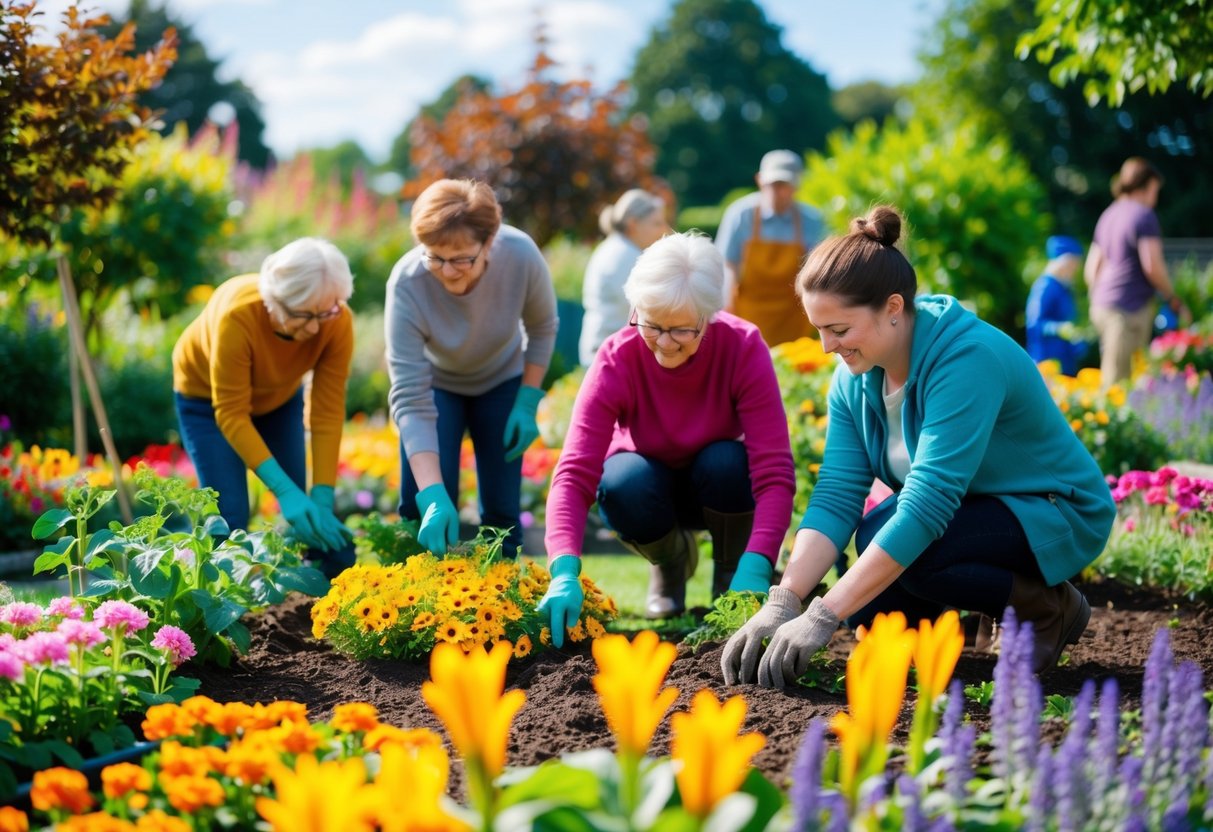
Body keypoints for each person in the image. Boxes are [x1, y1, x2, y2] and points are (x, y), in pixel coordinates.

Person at [721, 206, 1116, 688]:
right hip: (973, 512)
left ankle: (1046, 608)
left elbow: (928, 506)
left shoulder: (966, 359)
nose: (826, 347)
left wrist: (820, 615)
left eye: (839, 330)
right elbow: (836, 494)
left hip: (1053, 511)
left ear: (892, 308)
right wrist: (785, 602)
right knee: (867, 581)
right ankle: (960, 626)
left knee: (915, 553)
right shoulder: (855, 378)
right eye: (819, 330)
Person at [537, 232, 796, 643]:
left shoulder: (742, 347)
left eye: (681, 331)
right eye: (652, 324)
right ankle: (671, 564)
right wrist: (563, 568)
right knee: (620, 482)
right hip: (648, 486)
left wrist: (759, 562)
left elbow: (774, 472)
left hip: (718, 488)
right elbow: (574, 473)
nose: (663, 342)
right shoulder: (617, 358)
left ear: (708, 317)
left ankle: (730, 573)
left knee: (728, 462)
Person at [385, 179, 558, 558]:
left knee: (501, 514)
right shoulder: (407, 283)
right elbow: (410, 398)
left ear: (490, 242)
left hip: (501, 380)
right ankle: (422, 600)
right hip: (435, 385)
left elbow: (543, 327)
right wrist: (432, 495)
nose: (447, 271)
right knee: (420, 503)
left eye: (462, 258)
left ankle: (499, 602)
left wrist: (527, 400)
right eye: (435, 257)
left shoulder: (521, 256)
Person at [172, 237, 356, 578]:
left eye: (325, 313)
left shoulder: (337, 321)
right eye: (303, 316)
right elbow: (230, 412)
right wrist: (283, 491)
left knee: (309, 516)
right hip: (206, 403)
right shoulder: (237, 316)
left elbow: (327, 411)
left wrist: (323, 497)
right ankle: (220, 616)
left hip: (278, 397)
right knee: (228, 519)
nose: (315, 327)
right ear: (274, 300)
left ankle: (313, 603)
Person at [1085, 157, 1190, 385]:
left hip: (1102, 307)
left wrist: (1097, 298)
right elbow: (1152, 266)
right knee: (1121, 384)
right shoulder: (1144, 216)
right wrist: (1173, 299)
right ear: (1145, 186)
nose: (1155, 198)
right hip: (1128, 309)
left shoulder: (1108, 215)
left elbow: (1091, 268)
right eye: (1154, 190)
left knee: (1113, 375)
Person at [715, 149, 824, 347]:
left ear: (797, 185)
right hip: (747, 315)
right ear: (759, 180)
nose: (777, 191)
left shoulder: (813, 221)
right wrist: (725, 309)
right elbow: (727, 265)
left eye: (784, 185)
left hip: (792, 318)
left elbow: (819, 271)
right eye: (772, 184)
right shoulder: (741, 215)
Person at [579, 189, 670, 366]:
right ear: (633, 224)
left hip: (604, 350)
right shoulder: (626, 257)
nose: (664, 230)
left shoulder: (616, 248)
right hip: (613, 355)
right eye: (656, 223)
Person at [1025, 235, 1087, 376]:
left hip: (1064, 363)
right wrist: (1058, 329)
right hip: (1046, 363)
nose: (1075, 269)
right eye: (1073, 264)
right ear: (1063, 261)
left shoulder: (1064, 288)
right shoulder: (1045, 286)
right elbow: (1034, 324)